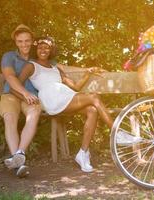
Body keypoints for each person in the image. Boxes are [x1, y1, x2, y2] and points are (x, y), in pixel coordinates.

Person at [15, 37, 114, 173]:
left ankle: (83, 154)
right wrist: (26, 97)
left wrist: (87, 73)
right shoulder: (31, 65)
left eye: (47, 48)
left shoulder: (56, 68)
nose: (43, 50)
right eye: (40, 47)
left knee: (92, 110)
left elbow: (76, 87)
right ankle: (116, 133)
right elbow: (16, 85)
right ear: (35, 50)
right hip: (51, 98)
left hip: (65, 96)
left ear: (51, 51)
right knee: (94, 97)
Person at [0, 24, 41, 178]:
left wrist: (87, 70)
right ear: (16, 42)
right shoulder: (9, 56)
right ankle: (20, 164)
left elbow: (59, 67)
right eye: (20, 41)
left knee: (35, 111)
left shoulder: (36, 59)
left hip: (30, 97)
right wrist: (24, 93)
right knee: (9, 118)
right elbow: (10, 76)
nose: (24, 44)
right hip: (11, 95)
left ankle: (19, 154)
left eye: (27, 41)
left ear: (32, 41)